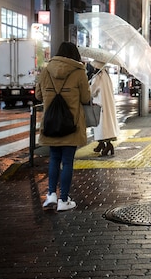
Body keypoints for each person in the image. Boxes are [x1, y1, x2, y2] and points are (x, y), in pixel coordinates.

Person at [35, 41, 91, 211]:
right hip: (70, 123)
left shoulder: (46, 70)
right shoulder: (79, 71)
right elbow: (85, 99)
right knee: (67, 161)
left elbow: (38, 95)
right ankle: (64, 200)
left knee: (54, 159)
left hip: (51, 122)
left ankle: (51, 194)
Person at [89, 61, 120, 156]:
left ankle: (108, 145)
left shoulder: (97, 77)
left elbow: (92, 92)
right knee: (105, 124)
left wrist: (89, 85)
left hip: (99, 105)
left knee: (101, 126)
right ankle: (102, 144)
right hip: (107, 105)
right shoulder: (106, 75)